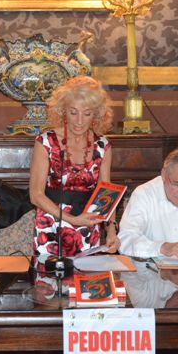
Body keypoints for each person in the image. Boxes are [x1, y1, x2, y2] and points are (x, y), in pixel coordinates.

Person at [29, 75, 120, 258]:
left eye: (87, 114)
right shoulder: (46, 142)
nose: (79, 121)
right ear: (63, 110)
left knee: (86, 276)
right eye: (73, 112)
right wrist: (72, 220)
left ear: (96, 114)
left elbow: (107, 194)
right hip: (51, 226)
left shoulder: (102, 145)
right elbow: (36, 195)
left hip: (88, 227)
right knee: (48, 277)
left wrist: (111, 231)